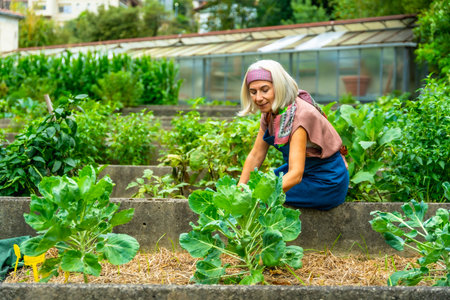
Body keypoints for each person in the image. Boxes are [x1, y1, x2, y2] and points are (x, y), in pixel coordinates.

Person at [238, 60, 349, 210]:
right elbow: (256, 155)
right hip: (302, 173)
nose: (258, 98)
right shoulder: (270, 112)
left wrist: (257, 195)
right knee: (254, 188)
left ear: (279, 87)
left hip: (325, 181)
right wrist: (240, 189)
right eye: (253, 92)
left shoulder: (298, 116)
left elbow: (296, 174)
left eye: (265, 90)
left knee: (261, 198)